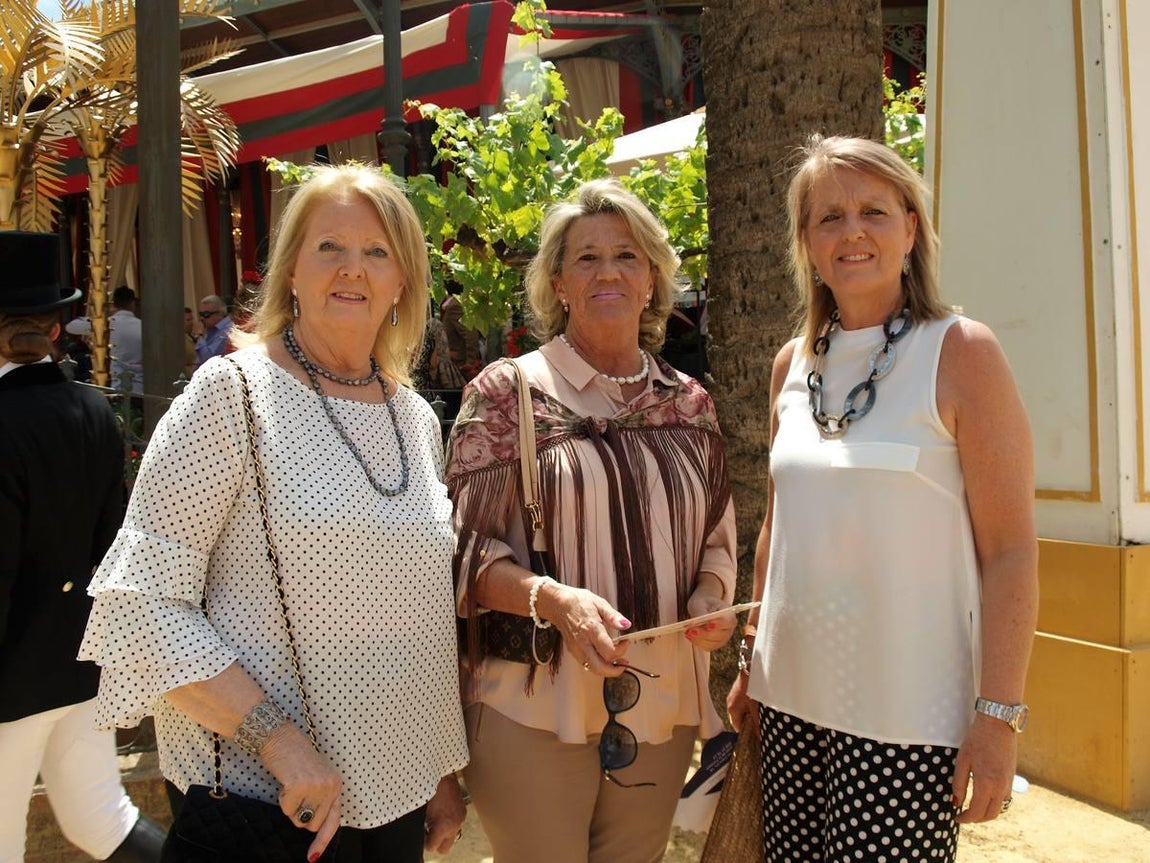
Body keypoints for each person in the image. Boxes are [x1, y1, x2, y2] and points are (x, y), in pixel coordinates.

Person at [80, 164, 469, 861]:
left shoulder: (414, 418)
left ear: (402, 280)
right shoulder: (230, 396)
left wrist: (439, 768)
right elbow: (140, 603)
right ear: (291, 269)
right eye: (330, 247)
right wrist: (279, 741)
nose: (353, 269)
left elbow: (422, 614)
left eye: (377, 252)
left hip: (396, 796)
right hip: (272, 801)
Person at [727, 135, 1039, 862]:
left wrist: (998, 716)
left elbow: (1013, 549)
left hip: (909, 722)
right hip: (788, 707)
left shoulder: (963, 353)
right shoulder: (791, 365)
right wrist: (750, 654)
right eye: (828, 216)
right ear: (805, 242)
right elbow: (778, 526)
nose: (852, 231)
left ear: (910, 229)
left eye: (873, 210)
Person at [445, 178, 737, 863]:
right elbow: (456, 548)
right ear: (558, 283)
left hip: (661, 700)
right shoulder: (505, 395)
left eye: (628, 256)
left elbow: (716, 540)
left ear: (652, 281)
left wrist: (711, 600)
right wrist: (553, 600)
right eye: (587, 257)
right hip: (531, 700)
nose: (609, 270)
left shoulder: (689, 404)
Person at [0, 231, 165, 863]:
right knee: (102, 818)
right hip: (80, 657)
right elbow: (112, 541)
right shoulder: (92, 410)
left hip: (12, 676)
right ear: (53, 323)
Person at [194, 293, 232, 367]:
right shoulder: (211, 329)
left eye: (206, 314)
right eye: (200, 314)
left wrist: (200, 335)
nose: (202, 318)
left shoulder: (226, 331)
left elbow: (207, 359)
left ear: (220, 314)